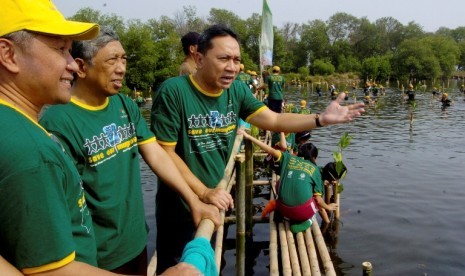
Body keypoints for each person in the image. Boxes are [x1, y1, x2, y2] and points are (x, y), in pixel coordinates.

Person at [150, 24, 364, 272]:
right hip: (180, 206)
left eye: (236, 60)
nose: (232, 67)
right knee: (178, 267)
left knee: (211, 263)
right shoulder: (174, 92)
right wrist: (204, 192)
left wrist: (319, 119)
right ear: (198, 57)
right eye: (223, 58)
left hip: (214, 199)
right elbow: (164, 153)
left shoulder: (237, 91)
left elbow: (273, 119)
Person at [40, 26, 220, 275]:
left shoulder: (124, 104)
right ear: (81, 67)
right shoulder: (58, 122)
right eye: (112, 60)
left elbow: (156, 154)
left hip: (135, 242)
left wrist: (194, 200)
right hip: (96, 256)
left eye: (123, 58)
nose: (122, 68)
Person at [0, 0, 126, 274]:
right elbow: (53, 272)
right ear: (8, 55)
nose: (72, 65)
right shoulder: (30, 151)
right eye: (61, 49)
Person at [239, 130, 337, 231]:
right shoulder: (315, 170)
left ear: (299, 152)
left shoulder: (289, 158)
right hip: (300, 212)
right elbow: (319, 201)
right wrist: (328, 207)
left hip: (282, 207)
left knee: (279, 183)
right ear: (314, 157)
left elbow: (270, 150)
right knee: (314, 201)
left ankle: (283, 213)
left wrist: (249, 137)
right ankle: (307, 221)